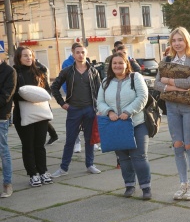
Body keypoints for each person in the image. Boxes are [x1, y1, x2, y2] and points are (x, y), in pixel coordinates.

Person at [154, 27, 190, 200]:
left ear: (186, 41)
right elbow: (157, 84)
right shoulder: (166, 60)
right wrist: (174, 86)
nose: (177, 43)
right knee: (177, 145)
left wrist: (169, 81)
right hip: (171, 106)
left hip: (189, 106)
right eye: (174, 40)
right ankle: (183, 183)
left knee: (189, 145)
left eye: (180, 40)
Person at [97, 53, 152, 199]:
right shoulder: (105, 82)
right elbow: (100, 102)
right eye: (114, 63)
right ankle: (129, 185)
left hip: (137, 123)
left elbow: (143, 97)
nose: (117, 66)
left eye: (120, 63)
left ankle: (146, 188)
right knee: (123, 158)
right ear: (110, 65)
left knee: (139, 156)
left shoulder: (136, 78)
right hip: (116, 126)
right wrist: (108, 112)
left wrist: (128, 112)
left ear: (126, 63)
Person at [51, 42, 102, 177]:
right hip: (74, 110)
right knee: (70, 140)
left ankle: (90, 164)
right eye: (77, 52)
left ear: (86, 54)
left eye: (82, 52)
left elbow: (100, 91)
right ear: (73, 54)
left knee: (89, 139)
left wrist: (99, 107)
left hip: (90, 110)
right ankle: (63, 168)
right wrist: (62, 103)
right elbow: (54, 87)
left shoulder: (93, 71)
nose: (80, 55)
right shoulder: (67, 71)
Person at [13, 46, 53, 186]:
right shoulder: (15, 72)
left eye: (30, 55)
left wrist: (38, 96)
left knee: (39, 145)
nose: (29, 58)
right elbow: (13, 93)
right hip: (23, 115)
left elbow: (47, 90)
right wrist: (30, 96)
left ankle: (43, 171)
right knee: (28, 146)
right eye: (25, 55)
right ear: (19, 57)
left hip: (40, 114)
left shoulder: (40, 71)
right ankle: (33, 174)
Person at [0, 59, 17, 197]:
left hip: (0, 117)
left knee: (3, 150)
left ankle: (7, 184)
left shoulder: (9, 71)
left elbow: (6, 96)